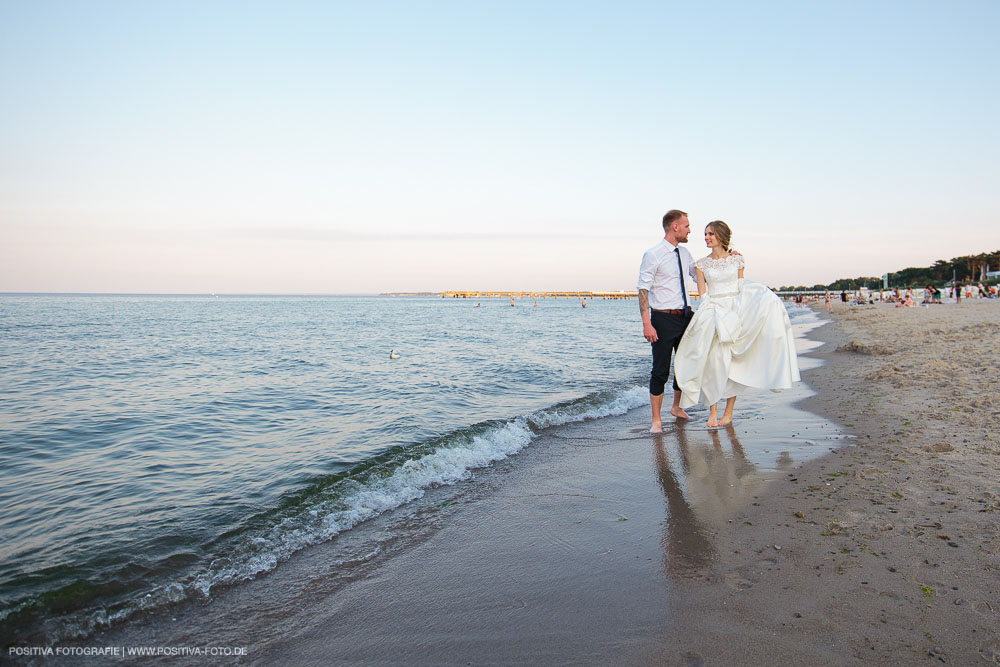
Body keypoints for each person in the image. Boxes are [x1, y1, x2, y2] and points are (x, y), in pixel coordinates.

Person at [674, 221, 801, 428]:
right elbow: (703, 294)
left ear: (721, 236)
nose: (706, 237)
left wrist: (762, 302)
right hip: (713, 313)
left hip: (735, 312)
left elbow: (742, 288)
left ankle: (729, 412)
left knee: (733, 364)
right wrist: (713, 314)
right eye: (705, 234)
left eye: (711, 234)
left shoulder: (737, 260)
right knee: (712, 363)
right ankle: (713, 412)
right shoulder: (701, 264)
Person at [637, 210, 699, 433]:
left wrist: (725, 257)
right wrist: (647, 323)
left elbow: (698, 274)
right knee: (660, 370)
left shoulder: (685, 253)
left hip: (686, 318)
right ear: (675, 227)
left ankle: (676, 408)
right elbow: (643, 289)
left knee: (683, 367)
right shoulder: (653, 254)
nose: (689, 230)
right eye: (687, 226)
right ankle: (656, 420)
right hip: (662, 319)